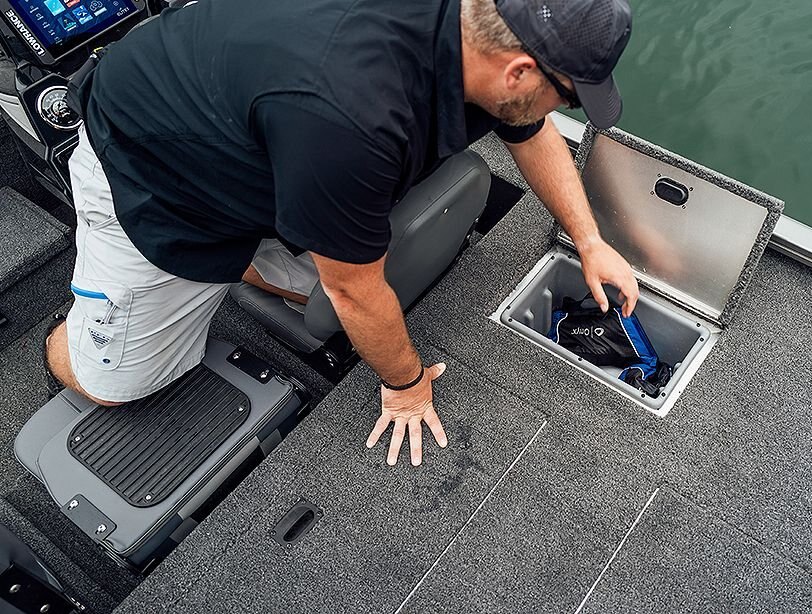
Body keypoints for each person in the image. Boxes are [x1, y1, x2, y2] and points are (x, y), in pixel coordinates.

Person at [44, 0, 639, 467]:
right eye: (569, 97)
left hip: (273, 138)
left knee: (336, 290)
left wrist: (588, 240)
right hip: (155, 172)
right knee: (114, 385)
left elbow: (529, 127)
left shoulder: (479, 28)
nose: (566, 109)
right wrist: (406, 386)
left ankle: (243, 258)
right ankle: (85, 321)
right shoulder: (352, 121)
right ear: (518, 71)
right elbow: (354, 291)